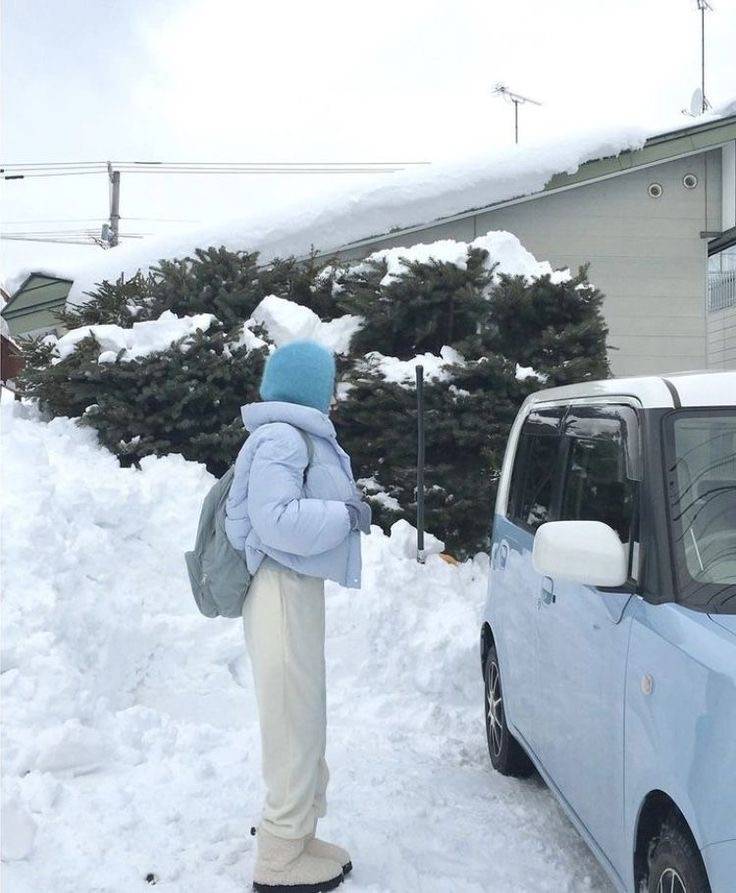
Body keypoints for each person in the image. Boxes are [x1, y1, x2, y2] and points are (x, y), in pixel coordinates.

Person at [225, 339, 371, 893]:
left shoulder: (294, 435)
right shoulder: (281, 438)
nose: (333, 394)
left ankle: (300, 833)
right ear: (310, 386)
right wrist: (345, 514)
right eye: (327, 383)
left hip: (294, 584)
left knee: (305, 712)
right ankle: (281, 855)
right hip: (278, 587)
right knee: (290, 717)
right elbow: (275, 520)